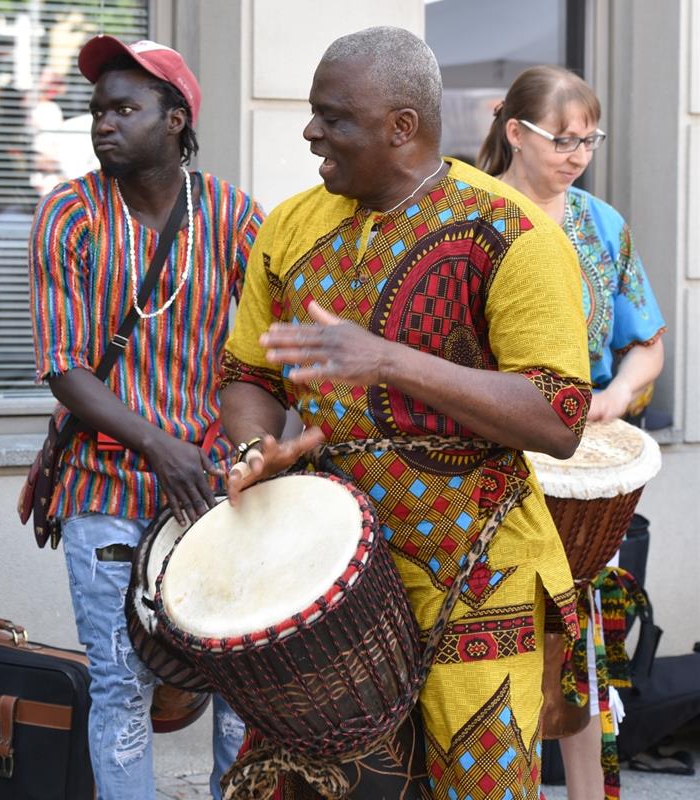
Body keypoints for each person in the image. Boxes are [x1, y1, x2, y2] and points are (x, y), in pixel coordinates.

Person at [220, 27, 590, 799]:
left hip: (476, 580)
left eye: (333, 116)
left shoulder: (514, 233)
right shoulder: (288, 230)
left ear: (402, 126)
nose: (311, 131)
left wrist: (386, 358)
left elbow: (559, 416)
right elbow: (248, 373)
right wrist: (258, 447)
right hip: (324, 580)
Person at [29, 35, 264, 800]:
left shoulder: (233, 218)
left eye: (125, 108)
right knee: (121, 688)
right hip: (103, 487)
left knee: (240, 684)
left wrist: (260, 453)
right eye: (98, 109)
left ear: (175, 118)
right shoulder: (69, 214)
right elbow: (65, 367)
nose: (103, 123)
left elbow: (271, 351)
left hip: (215, 490)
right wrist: (160, 446)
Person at [481, 65, 668, 800]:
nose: (578, 154)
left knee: (586, 658)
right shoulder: (472, 213)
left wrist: (618, 394)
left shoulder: (602, 225)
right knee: (501, 656)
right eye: (564, 139)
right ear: (515, 131)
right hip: (491, 457)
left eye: (589, 140)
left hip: (579, 463)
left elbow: (646, 340)